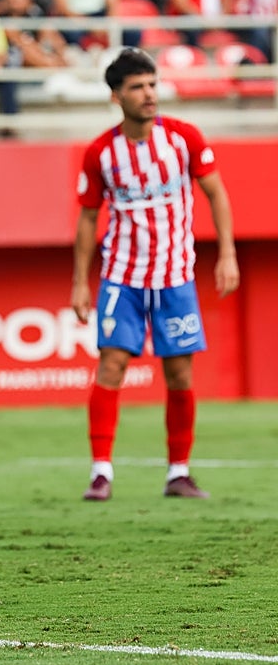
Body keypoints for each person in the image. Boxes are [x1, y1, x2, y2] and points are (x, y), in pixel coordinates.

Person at [71, 48, 238, 503]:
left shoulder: (183, 138)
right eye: (137, 88)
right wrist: (79, 283)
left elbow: (216, 194)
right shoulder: (101, 152)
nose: (148, 94)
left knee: (180, 375)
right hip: (121, 277)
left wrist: (227, 254)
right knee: (112, 364)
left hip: (175, 276)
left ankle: (178, 473)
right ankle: (101, 472)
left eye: (151, 84)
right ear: (116, 97)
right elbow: (88, 219)